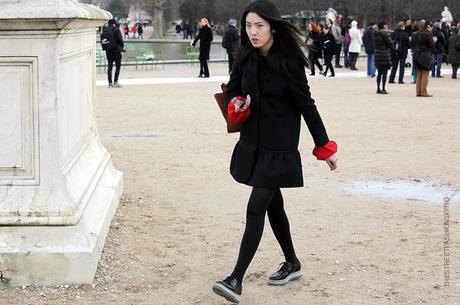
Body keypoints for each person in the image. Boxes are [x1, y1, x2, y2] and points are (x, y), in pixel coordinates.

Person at [211, 1, 338, 303]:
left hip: (279, 148)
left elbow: (307, 106)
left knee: (256, 208)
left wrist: (324, 147)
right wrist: (237, 103)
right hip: (254, 143)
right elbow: (235, 91)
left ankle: (235, 279)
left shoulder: (290, 63)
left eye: (259, 26)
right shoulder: (245, 58)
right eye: (248, 26)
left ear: (272, 27)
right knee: (273, 206)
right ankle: (292, 262)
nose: (253, 32)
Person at [412, 20, 435, 97]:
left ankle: (418, 91)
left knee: (419, 74)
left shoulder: (414, 34)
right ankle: (423, 91)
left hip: (416, 54)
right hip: (425, 54)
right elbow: (432, 46)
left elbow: (412, 44)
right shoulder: (428, 34)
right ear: (426, 26)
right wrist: (434, 41)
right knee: (425, 74)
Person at [102, 19, 124, 88]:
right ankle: (115, 81)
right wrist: (121, 47)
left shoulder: (105, 30)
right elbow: (120, 40)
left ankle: (110, 82)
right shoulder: (116, 29)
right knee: (118, 66)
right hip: (116, 50)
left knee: (110, 66)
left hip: (108, 50)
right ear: (114, 23)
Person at [373, 20, 393, 94]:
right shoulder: (385, 34)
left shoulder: (375, 34)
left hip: (377, 54)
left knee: (379, 72)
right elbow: (390, 44)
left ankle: (378, 88)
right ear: (384, 26)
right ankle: (383, 88)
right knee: (385, 72)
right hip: (384, 54)